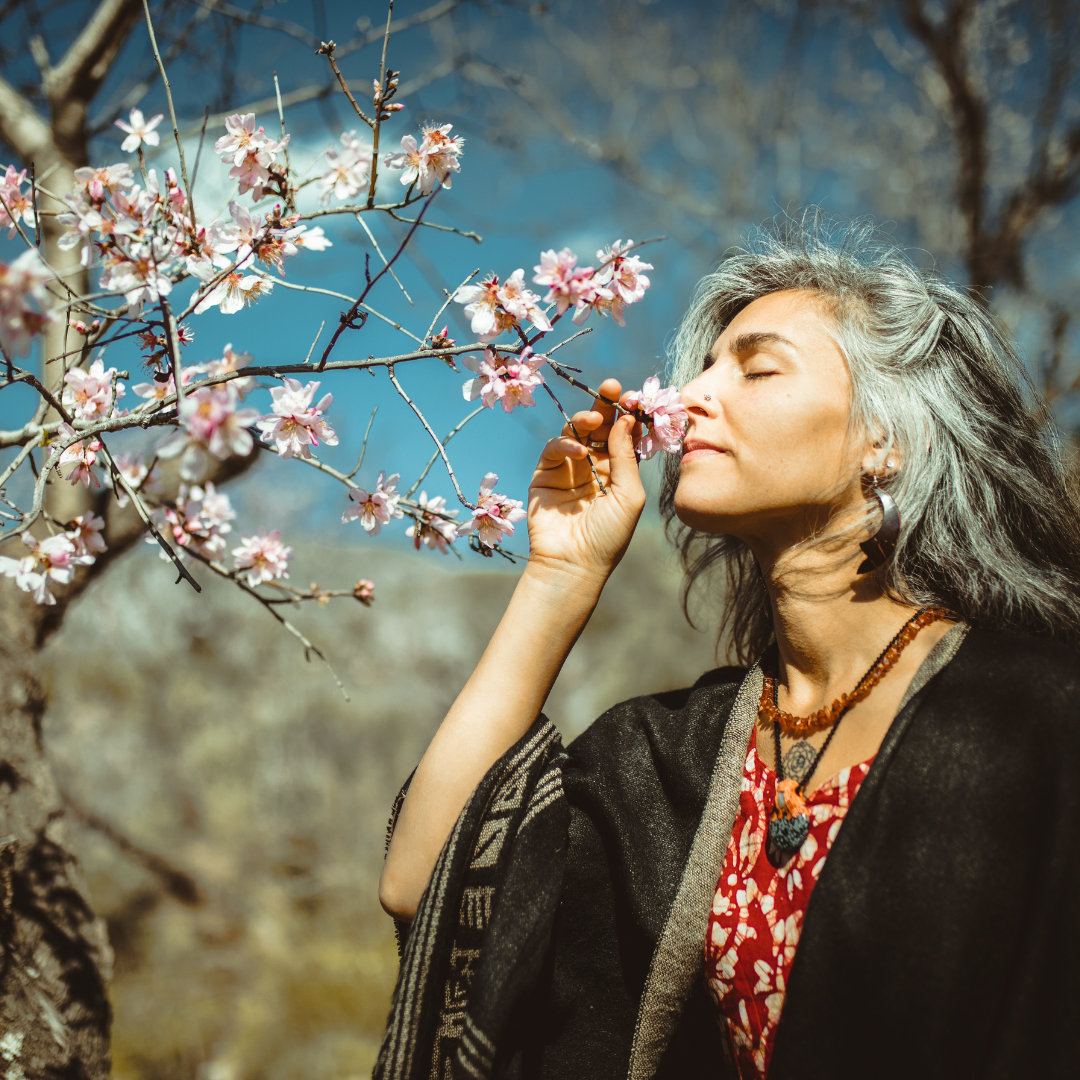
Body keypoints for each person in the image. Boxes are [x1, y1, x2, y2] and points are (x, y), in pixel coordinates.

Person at [374, 216, 1080, 1080]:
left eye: (757, 368)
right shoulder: (674, 757)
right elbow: (429, 883)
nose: (692, 396)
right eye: (703, 368)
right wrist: (560, 576)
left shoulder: (1037, 715)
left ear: (886, 441)